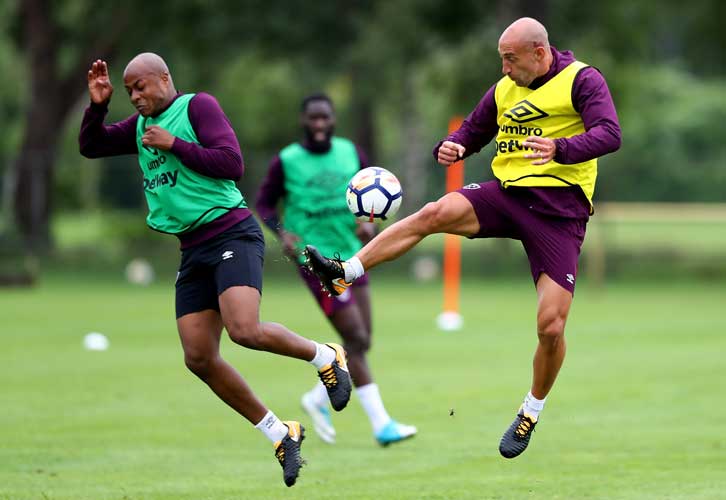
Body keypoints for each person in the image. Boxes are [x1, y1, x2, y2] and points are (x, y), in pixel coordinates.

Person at [304, 17, 621, 459]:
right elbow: (471, 131)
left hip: (559, 211)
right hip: (507, 195)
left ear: (539, 52)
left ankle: (530, 411)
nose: (506, 68)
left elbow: (610, 133)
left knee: (551, 326)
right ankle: (345, 271)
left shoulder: (582, 79)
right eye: (502, 60)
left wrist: (560, 149)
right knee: (435, 211)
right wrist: (451, 145)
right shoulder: (504, 89)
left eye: (511, 59)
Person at [78, 53, 353, 487]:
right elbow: (90, 146)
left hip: (231, 234)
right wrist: (97, 106)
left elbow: (232, 164)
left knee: (245, 329)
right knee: (199, 357)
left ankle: (326, 356)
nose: (134, 96)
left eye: (140, 86)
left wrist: (175, 145)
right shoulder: (138, 129)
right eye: (128, 90)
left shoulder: (196, 107)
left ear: (164, 79)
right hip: (193, 249)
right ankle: (281, 434)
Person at [255, 93, 417, 446]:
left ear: (332, 119)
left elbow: (369, 197)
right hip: (315, 261)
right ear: (303, 120)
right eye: (312, 118)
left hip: (354, 257)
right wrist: (282, 233)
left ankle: (316, 397)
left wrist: (369, 225)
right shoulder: (287, 160)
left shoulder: (351, 152)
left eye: (324, 117)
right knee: (356, 339)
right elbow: (263, 203)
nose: (318, 124)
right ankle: (382, 425)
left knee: (362, 340)